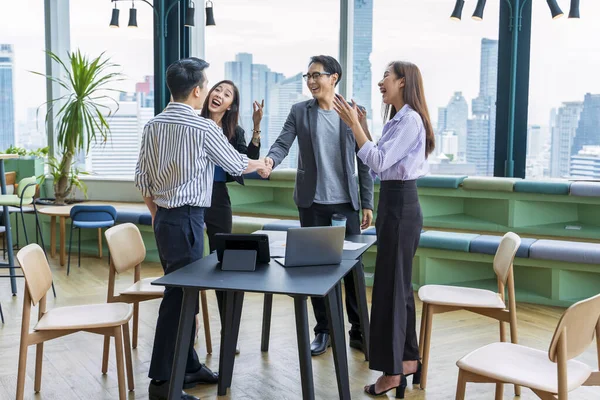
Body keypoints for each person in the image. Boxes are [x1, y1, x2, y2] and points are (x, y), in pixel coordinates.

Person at [134, 57, 271, 400]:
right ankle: (164, 384)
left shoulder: (153, 125)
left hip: (166, 219)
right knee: (180, 299)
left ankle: (189, 366)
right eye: (207, 85)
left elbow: (142, 180)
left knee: (184, 296)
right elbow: (236, 163)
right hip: (188, 219)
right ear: (197, 91)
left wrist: (157, 214)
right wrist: (263, 164)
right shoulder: (202, 127)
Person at [332, 61, 435, 398]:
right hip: (394, 203)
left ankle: (392, 372)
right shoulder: (399, 118)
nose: (380, 83)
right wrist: (361, 124)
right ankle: (405, 361)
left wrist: (354, 126)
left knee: (391, 288)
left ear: (402, 82)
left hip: (401, 207)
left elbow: (376, 162)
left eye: (386, 77)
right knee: (398, 287)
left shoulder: (410, 120)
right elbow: (380, 158)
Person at [263, 55, 374, 356]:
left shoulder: (354, 113)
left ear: (333, 77)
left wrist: (367, 202)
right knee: (314, 269)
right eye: (308, 76)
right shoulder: (300, 112)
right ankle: (323, 330)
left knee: (353, 269)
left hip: (345, 204)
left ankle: (359, 331)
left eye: (317, 75)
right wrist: (271, 160)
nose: (311, 81)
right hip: (312, 204)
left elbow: (365, 161)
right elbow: (283, 142)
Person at [200, 80, 263, 329]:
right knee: (190, 263)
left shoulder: (234, 131)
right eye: (217, 89)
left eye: (227, 94)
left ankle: (228, 326)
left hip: (217, 196)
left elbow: (248, 160)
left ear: (229, 106)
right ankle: (191, 321)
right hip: (190, 195)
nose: (220, 95)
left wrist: (256, 126)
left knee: (222, 261)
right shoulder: (194, 121)